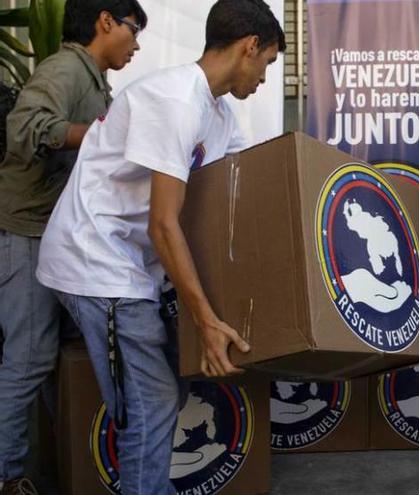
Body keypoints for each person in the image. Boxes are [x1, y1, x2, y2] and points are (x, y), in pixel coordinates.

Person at [35, 0, 284, 492]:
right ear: (249, 47)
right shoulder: (173, 101)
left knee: (159, 395)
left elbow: (241, 195)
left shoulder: (216, 114)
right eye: (269, 64)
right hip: (98, 261)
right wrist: (207, 321)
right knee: (150, 403)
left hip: (131, 264)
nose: (265, 78)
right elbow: (163, 226)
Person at [0, 1, 145, 492]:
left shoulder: (95, 81)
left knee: (56, 360)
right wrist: (102, 138)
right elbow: (24, 128)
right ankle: (8, 475)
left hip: (57, 235)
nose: (137, 43)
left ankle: (59, 463)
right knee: (28, 360)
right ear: (106, 21)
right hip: (29, 232)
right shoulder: (64, 69)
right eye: (133, 30)